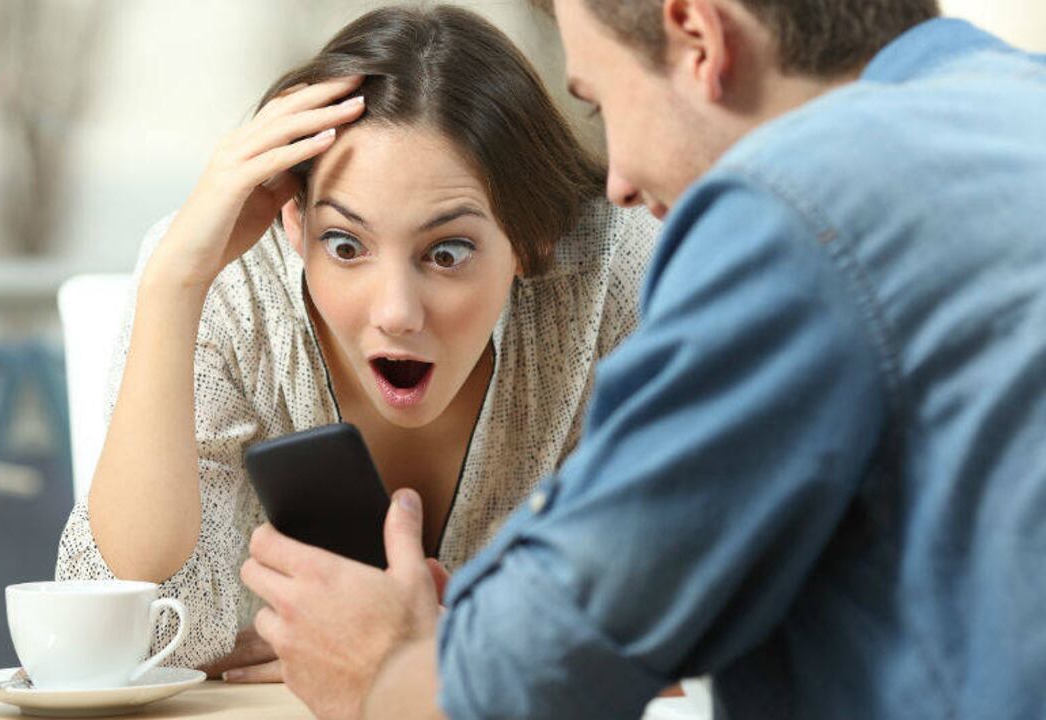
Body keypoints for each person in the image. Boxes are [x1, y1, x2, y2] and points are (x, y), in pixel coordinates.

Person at [240, 0, 1046, 717]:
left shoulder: (791, 202)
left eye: (598, 101)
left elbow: (514, 685)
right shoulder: (1017, 102)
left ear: (698, 36)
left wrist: (381, 669)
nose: (618, 184)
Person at [54, 4, 660, 682]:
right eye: (345, 245)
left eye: (448, 253)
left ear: (530, 235)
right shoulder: (225, 280)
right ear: (294, 223)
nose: (396, 313)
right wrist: (173, 284)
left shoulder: (617, 271)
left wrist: (436, 645)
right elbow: (122, 638)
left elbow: (688, 609)